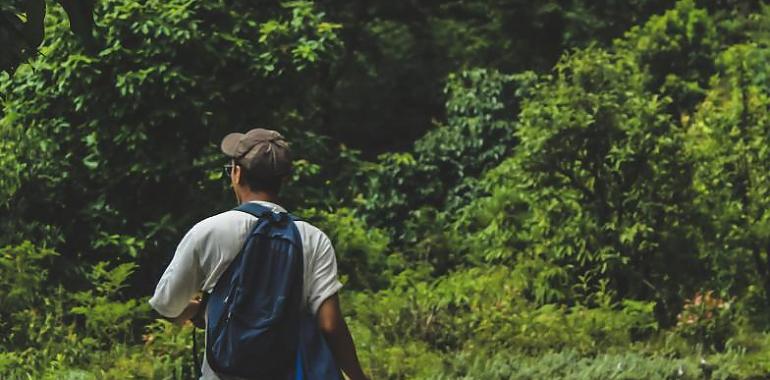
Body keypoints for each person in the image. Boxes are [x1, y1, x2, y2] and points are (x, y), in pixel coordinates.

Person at [149, 128, 368, 380]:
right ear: (284, 179)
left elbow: (166, 305)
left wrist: (202, 311)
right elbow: (330, 324)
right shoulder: (313, 239)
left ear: (237, 173)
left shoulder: (209, 231)